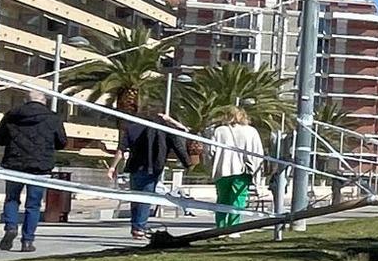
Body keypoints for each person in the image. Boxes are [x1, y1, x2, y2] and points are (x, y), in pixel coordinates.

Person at [108, 92, 190, 240]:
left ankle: (136, 226)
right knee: (147, 197)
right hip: (152, 166)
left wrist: (112, 167)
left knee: (136, 197)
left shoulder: (131, 127)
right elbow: (184, 132)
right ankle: (139, 227)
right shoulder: (162, 127)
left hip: (134, 166)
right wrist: (170, 120)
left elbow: (121, 149)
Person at [0, 88, 67, 253]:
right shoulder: (52, 118)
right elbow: (62, 142)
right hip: (40, 166)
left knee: (12, 199)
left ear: (26, 101)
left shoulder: (12, 115)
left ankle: (11, 227)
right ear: (44, 101)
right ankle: (27, 241)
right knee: (33, 205)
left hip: (15, 163)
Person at [207, 106, 265, 230]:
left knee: (222, 199)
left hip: (222, 169)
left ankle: (220, 228)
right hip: (242, 170)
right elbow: (258, 152)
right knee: (238, 199)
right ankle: (234, 228)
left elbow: (211, 151)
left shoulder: (219, 131)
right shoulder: (251, 131)